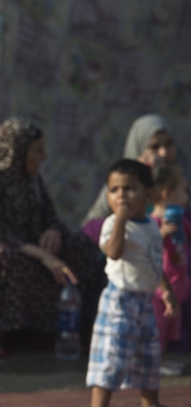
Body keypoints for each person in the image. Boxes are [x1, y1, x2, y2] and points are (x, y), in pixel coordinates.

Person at [0, 117, 100, 357]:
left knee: (81, 247)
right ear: (17, 150)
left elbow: (52, 218)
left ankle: (50, 331)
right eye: (37, 150)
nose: (43, 156)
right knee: (4, 255)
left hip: (26, 251)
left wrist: (52, 231)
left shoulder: (32, 180)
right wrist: (42, 255)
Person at [87, 159, 178, 407]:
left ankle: (151, 402)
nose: (121, 195)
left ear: (147, 194)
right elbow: (113, 252)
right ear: (107, 195)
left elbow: (153, 262)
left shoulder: (151, 227)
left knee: (148, 359)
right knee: (111, 358)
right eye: (114, 190)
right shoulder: (112, 225)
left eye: (129, 188)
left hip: (145, 303)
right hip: (120, 302)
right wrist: (120, 220)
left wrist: (167, 291)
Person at [84, 114, 191, 225]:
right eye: (154, 147)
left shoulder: (184, 177)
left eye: (169, 144)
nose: (163, 153)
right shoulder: (120, 183)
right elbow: (91, 226)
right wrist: (135, 171)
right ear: (140, 148)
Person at [149, 165, 190, 374]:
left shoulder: (181, 220)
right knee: (158, 326)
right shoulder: (153, 223)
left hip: (178, 283)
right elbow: (147, 248)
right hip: (161, 289)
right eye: (184, 191)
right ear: (167, 194)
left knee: (170, 328)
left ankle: (162, 358)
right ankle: (153, 362)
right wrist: (161, 233)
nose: (187, 196)